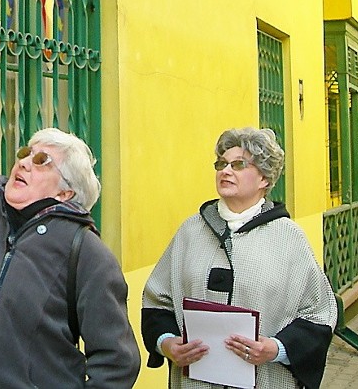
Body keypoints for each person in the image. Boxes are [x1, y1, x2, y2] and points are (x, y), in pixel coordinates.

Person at [0, 2, 141, 389]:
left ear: (67, 191)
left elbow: (117, 361)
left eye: (42, 161)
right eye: (25, 154)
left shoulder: (86, 253)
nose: (25, 164)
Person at [141, 127, 337, 389]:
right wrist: (166, 342)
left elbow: (319, 315)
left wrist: (276, 348)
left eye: (238, 164)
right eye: (221, 164)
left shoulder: (288, 238)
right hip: (194, 383)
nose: (225, 171)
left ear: (264, 179)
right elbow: (156, 301)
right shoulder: (190, 231)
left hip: (265, 380)